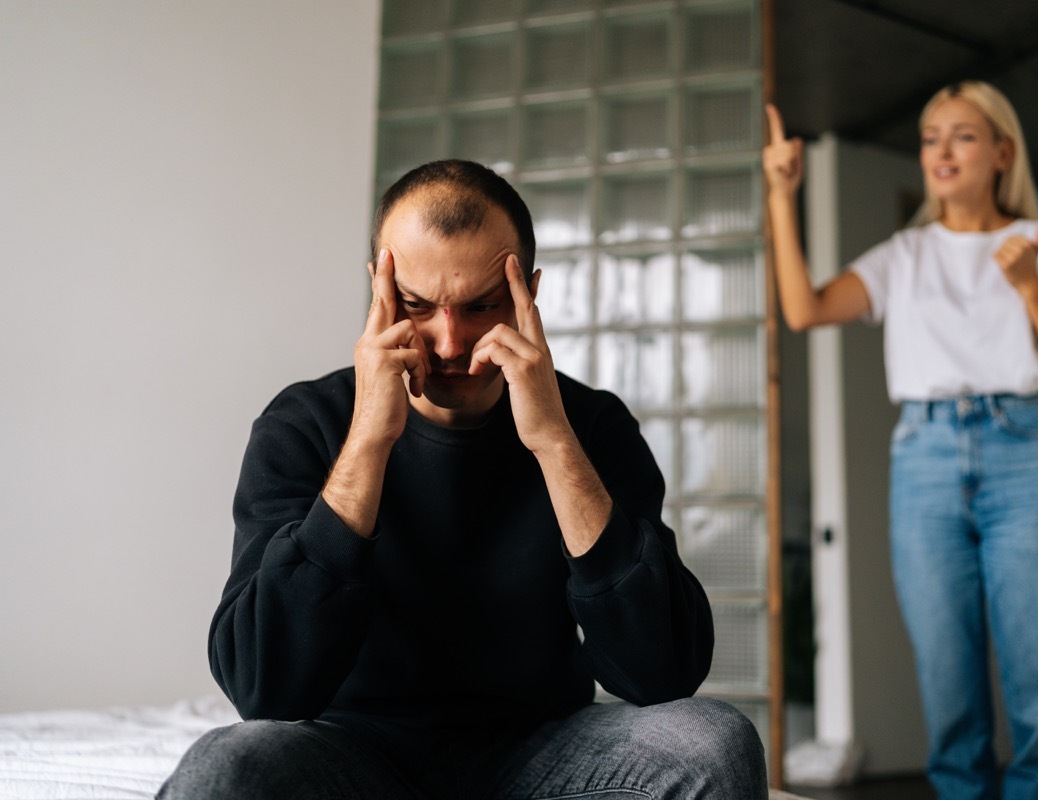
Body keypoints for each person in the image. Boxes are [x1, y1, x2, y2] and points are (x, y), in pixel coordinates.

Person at [158, 159, 768, 799]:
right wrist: (369, 439)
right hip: (353, 750)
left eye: (482, 306)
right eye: (419, 306)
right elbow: (265, 688)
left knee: (713, 744)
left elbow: (663, 673)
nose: (450, 343)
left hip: (543, 750)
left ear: (529, 293)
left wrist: (554, 442)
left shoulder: (592, 425)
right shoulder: (304, 424)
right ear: (380, 290)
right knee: (223, 771)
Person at [762, 82, 1038, 800]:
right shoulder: (905, 254)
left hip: (1024, 452)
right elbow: (805, 309)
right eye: (930, 137)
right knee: (949, 685)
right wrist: (781, 194)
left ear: (1002, 152)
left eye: (963, 135)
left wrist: (1031, 288)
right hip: (924, 457)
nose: (942, 151)